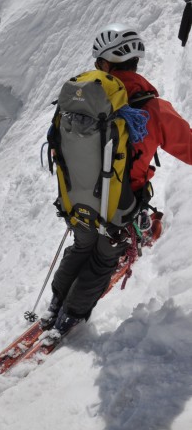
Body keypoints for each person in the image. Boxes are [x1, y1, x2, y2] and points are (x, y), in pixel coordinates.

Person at [44, 22, 192, 336]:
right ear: (134, 62)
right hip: (120, 209)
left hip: (79, 200)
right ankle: (70, 317)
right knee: (103, 258)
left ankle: (55, 304)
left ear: (105, 65)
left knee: (81, 247)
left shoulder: (80, 103)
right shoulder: (152, 109)